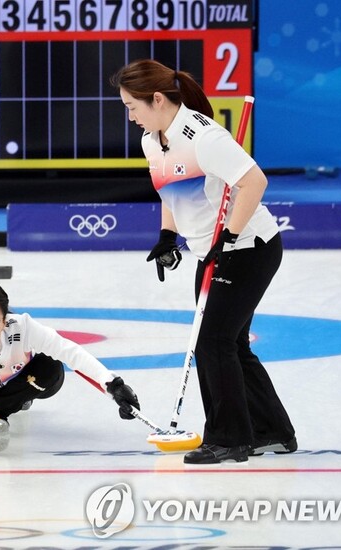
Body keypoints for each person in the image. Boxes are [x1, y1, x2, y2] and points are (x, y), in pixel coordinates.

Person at [111, 59, 296, 464]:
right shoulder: (152, 139)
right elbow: (171, 191)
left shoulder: (203, 137)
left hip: (248, 248)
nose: (130, 115)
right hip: (211, 251)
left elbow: (254, 182)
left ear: (157, 99)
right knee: (230, 343)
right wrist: (167, 236)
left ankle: (230, 439)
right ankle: (273, 432)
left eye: (132, 106)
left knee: (212, 342)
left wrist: (229, 234)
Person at [0, 281, 140, 424]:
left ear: (5, 321)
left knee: (50, 366)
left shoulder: (22, 327)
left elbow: (69, 351)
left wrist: (114, 386)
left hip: (33, 382)